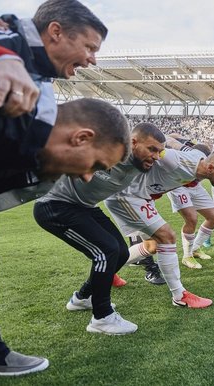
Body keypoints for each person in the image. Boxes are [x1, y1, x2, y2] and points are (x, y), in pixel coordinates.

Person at [0, 0, 113, 378]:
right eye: (90, 47)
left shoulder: (36, 73)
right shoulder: (5, 43)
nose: (92, 60)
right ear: (55, 32)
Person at [33, 123, 166, 335]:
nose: (157, 156)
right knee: (107, 250)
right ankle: (102, 317)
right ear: (132, 143)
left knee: (121, 252)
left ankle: (82, 298)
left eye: (160, 151)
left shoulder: (141, 166)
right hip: (55, 206)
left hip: (85, 207)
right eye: (152, 149)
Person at [104, 147, 214, 309]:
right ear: (210, 168)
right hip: (125, 195)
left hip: (142, 198)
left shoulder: (200, 160)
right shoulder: (175, 161)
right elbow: (146, 145)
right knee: (166, 237)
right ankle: (179, 295)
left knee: (152, 246)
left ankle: (106, 271)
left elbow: (175, 142)